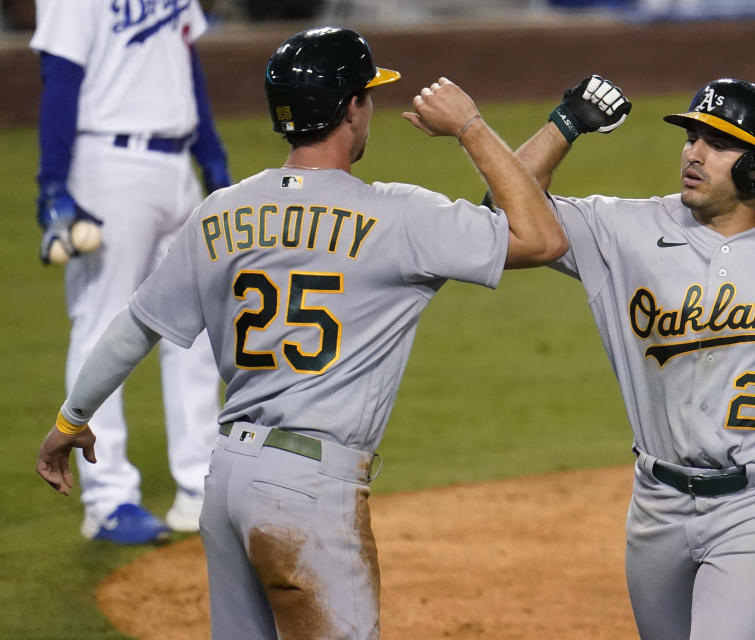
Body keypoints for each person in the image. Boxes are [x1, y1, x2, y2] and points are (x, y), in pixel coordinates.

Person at [37, 26, 566, 640]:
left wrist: (70, 422)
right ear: (351, 109)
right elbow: (541, 237)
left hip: (228, 479)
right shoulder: (396, 215)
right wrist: (471, 125)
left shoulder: (220, 211)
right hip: (308, 494)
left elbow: (134, 328)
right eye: (366, 97)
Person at [504, 76, 755, 639]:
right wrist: (566, 124)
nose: (693, 153)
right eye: (692, 136)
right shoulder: (621, 230)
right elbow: (505, 216)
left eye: (718, 143)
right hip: (656, 500)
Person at [29, 0, 231, 544]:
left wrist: (211, 158)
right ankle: (108, 497)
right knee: (103, 326)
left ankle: (201, 485)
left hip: (176, 165)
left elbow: (184, 62)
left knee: (197, 326)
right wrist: (53, 183)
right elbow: (60, 75)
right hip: (108, 162)